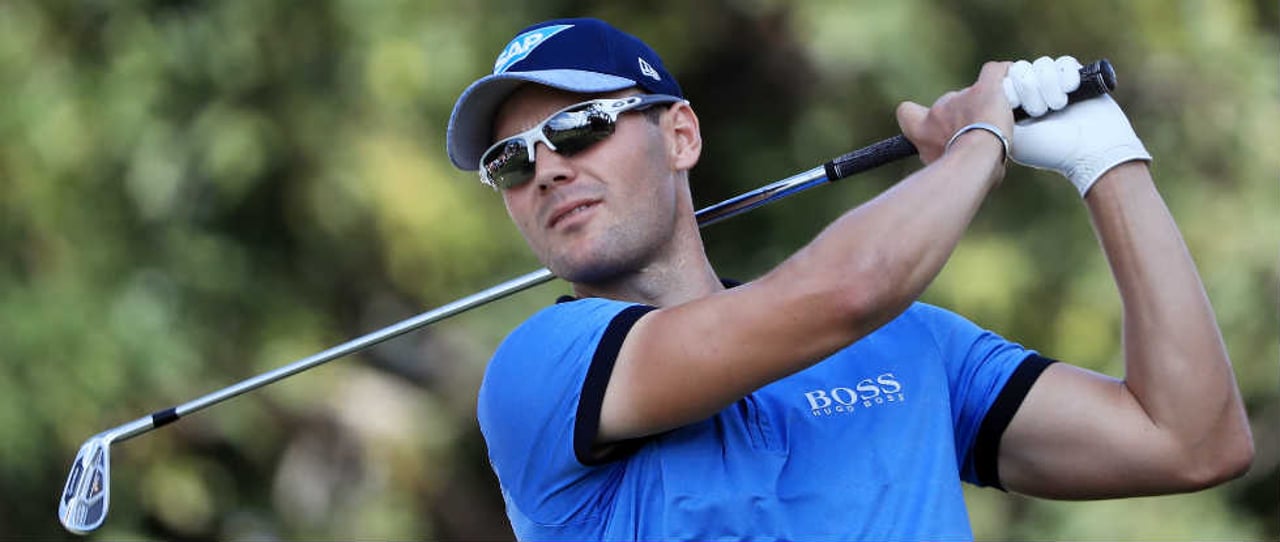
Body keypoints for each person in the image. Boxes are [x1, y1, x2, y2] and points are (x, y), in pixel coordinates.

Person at [445, 17, 1253, 540]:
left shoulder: (912, 346)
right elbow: (844, 291)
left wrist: (1105, 160)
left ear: (680, 135)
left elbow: (1191, 443)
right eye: (509, 161)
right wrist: (979, 139)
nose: (545, 170)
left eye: (579, 128)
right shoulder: (539, 370)